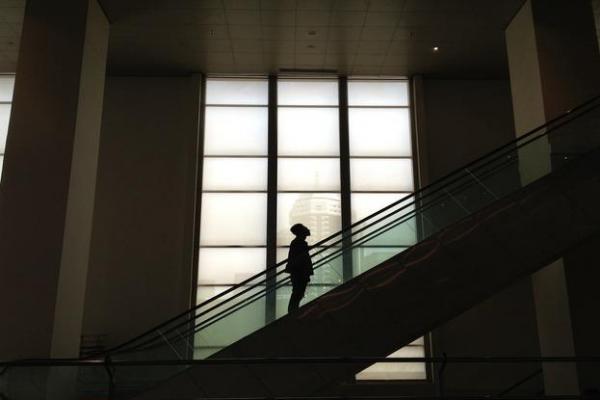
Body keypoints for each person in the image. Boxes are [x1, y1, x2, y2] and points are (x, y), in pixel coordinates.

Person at [285, 223, 313, 313]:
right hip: (300, 273)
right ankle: (293, 312)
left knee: (297, 293)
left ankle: (292, 312)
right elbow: (302, 260)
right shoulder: (299, 243)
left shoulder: (296, 243)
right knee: (298, 293)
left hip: (297, 273)